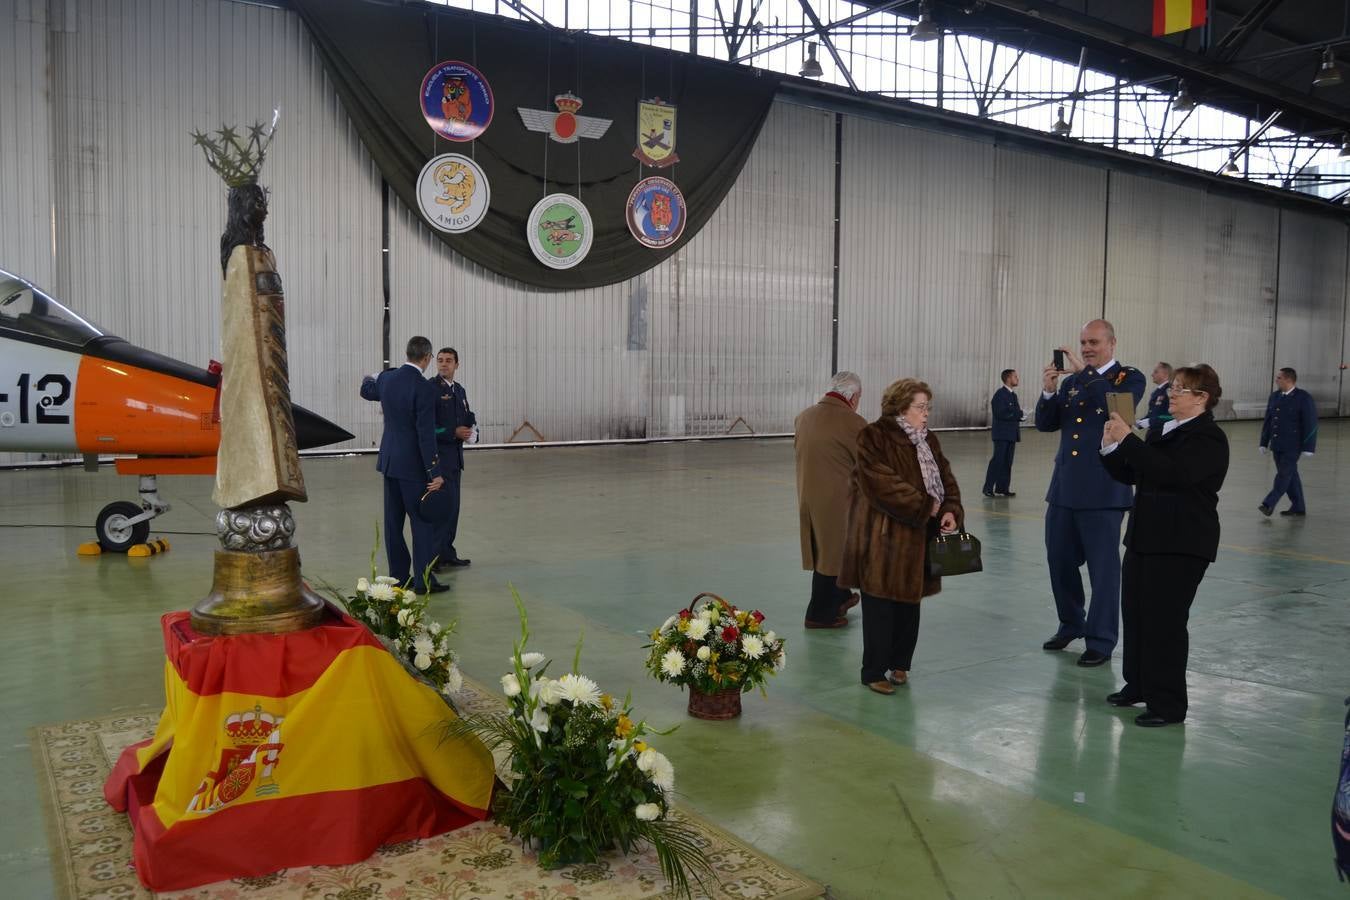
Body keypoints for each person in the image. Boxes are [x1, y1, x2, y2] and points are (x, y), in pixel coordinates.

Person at [1100, 364, 1229, 726]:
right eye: (1172, 387)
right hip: (1146, 537)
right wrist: (1111, 448)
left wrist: (1128, 440)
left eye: (1181, 390)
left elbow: (1173, 475)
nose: (1171, 394)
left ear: (1202, 398)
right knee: (1138, 615)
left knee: (1166, 624)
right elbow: (1136, 473)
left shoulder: (1208, 438)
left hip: (1181, 543)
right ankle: (1139, 685)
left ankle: (1168, 704)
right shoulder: (1164, 431)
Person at [837, 378, 962, 695]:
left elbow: (945, 476)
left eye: (927, 407)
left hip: (919, 538)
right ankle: (873, 671)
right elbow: (881, 484)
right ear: (900, 407)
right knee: (880, 607)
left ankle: (900, 663)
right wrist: (926, 506)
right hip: (882, 538)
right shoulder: (874, 436)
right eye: (921, 407)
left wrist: (949, 509)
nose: (926, 413)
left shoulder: (928, 440)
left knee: (910, 605)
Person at [1036, 319, 1146, 667]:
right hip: (1065, 488)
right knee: (1059, 561)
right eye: (1083, 342)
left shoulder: (1128, 378)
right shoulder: (1074, 382)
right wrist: (1050, 390)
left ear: (1112, 344)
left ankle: (1101, 639)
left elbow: (1118, 410)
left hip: (1103, 489)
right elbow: (1046, 423)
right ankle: (1071, 623)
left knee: (1103, 571)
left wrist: (1085, 373)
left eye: (1093, 342)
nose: (1086, 348)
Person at [359, 336, 447, 595]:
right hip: (414, 468)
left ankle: (398, 577)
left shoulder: (387, 379)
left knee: (393, 525)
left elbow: (367, 390)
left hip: (389, 463)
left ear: (407, 353)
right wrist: (435, 472)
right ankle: (424, 580)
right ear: (427, 358)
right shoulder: (425, 389)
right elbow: (425, 435)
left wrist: (372, 376)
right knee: (422, 523)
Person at [794, 372, 866, 629]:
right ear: (853, 396)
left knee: (828, 552)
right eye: (859, 397)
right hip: (838, 501)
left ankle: (841, 599)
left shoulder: (804, 417)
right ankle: (819, 615)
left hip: (809, 498)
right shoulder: (853, 422)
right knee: (832, 556)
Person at [430, 347, 477, 571]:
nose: (443, 364)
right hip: (439, 460)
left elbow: (467, 416)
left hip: (456, 460)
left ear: (457, 364)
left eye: (449, 361)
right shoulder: (431, 389)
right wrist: (453, 433)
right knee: (439, 510)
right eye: (440, 361)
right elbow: (428, 427)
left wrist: (472, 430)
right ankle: (433, 558)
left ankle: (447, 553)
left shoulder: (459, 390)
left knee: (453, 509)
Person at [1258, 367, 1318, 517]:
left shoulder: (1303, 398)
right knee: (1291, 475)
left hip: (1293, 445)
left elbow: (1311, 423)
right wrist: (1264, 442)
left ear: (1288, 379)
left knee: (1284, 475)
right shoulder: (1275, 396)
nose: (1276, 380)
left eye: (1279, 377)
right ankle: (1298, 507)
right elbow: (1269, 421)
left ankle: (1269, 504)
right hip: (1277, 444)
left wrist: (1309, 446)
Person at [981, 369, 1023, 498]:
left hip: (1011, 434)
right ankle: (988, 488)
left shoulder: (1013, 395)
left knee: (1007, 462)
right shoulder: (1000, 395)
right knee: (997, 461)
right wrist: (1018, 414)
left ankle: (1002, 488)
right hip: (1002, 434)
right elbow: (1001, 413)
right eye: (1015, 376)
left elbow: (1016, 412)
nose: (1017, 378)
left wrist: (1021, 414)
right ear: (1008, 378)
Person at [1136, 362, 1173, 441]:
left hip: (1163, 435)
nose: (1152, 374)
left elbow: (1172, 416)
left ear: (1166, 374)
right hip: (1153, 434)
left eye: (1156, 372)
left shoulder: (1170, 390)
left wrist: (1150, 421)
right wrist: (1141, 422)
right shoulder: (1158, 391)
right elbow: (1153, 413)